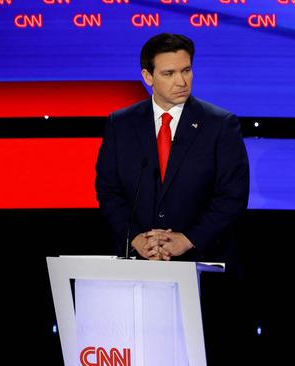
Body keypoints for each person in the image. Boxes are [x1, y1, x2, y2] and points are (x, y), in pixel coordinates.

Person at [95, 33, 249, 272]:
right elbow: (108, 190)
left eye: (186, 71)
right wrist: (136, 238)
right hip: (137, 262)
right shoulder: (121, 124)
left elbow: (232, 197)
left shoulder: (220, 124)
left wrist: (187, 239)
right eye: (169, 73)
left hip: (201, 261)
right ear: (148, 76)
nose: (181, 81)